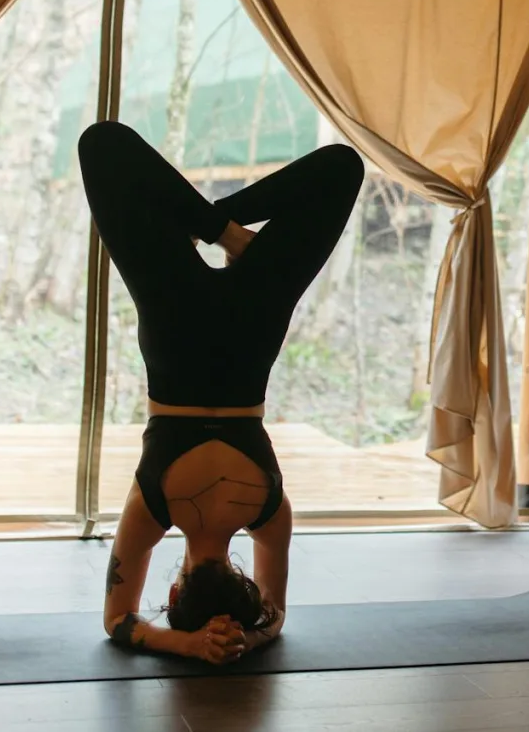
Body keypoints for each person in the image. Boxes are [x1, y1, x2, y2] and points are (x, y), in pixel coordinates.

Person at [77, 120, 363, 664]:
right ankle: (207, 222)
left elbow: (274, 619)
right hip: (173, 320)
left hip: (252, 324)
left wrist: (241, 636)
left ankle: (219, 226)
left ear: (241, 579)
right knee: (103, 146)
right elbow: (117, 621)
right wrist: (184, 643)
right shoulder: (150, 509)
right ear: (174, 593)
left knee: (342, 168)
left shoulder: (270, 511)